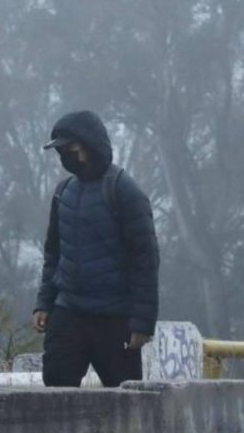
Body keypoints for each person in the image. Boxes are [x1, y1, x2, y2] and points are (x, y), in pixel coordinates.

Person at [32, 110, 160, 387]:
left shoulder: (124, 191)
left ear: (90, 146)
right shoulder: (63, 192)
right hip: (68, 312)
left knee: (123, 401)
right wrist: (44, 303)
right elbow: (54, 253)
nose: (67, 157)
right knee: (55, 390)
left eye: (71, 149)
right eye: (62, 151)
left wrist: (142, 323)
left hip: (114, 318)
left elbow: (146, 259)